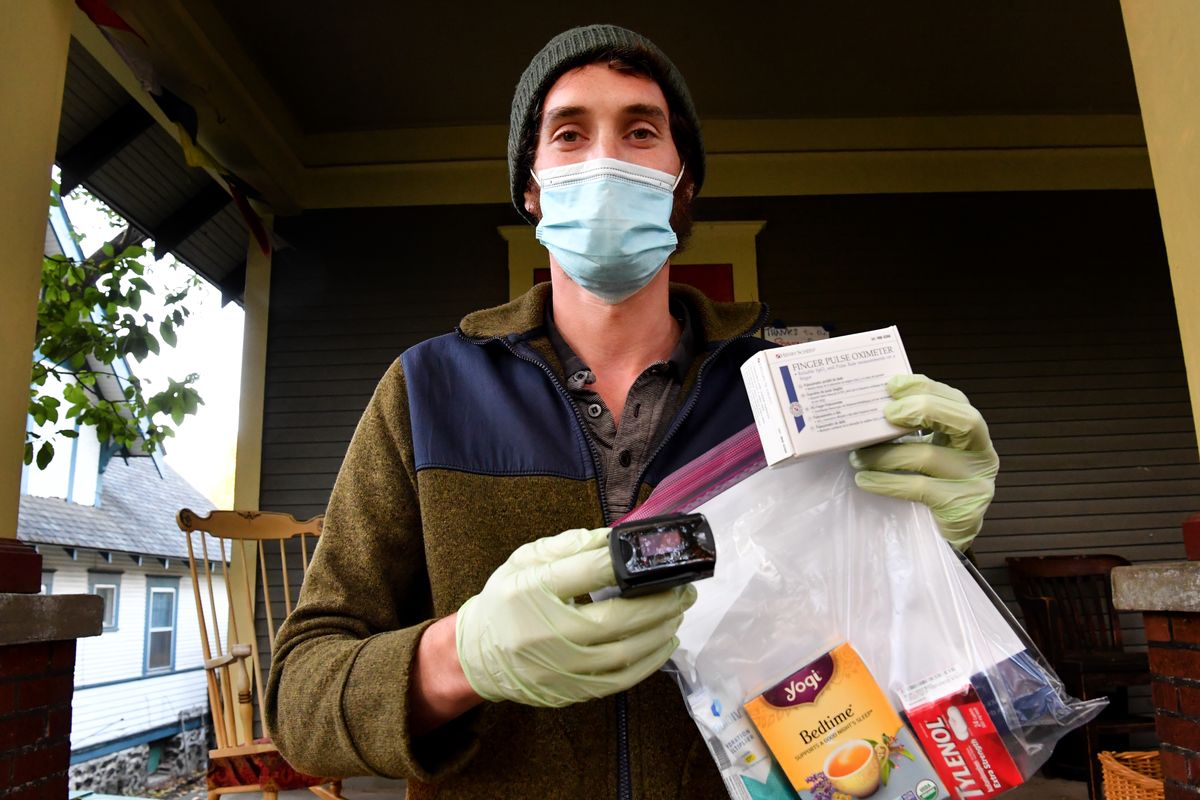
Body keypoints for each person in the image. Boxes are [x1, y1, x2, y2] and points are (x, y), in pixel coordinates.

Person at [265, 24, 999, 800]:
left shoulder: (793, 384)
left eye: (641, 131)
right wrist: (464, 655)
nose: (607, 160)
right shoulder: (428, 388)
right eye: (570, 133)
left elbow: (916, 654)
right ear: (530, 186)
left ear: (684, 181)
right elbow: (300, 701)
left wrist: (934, 545)